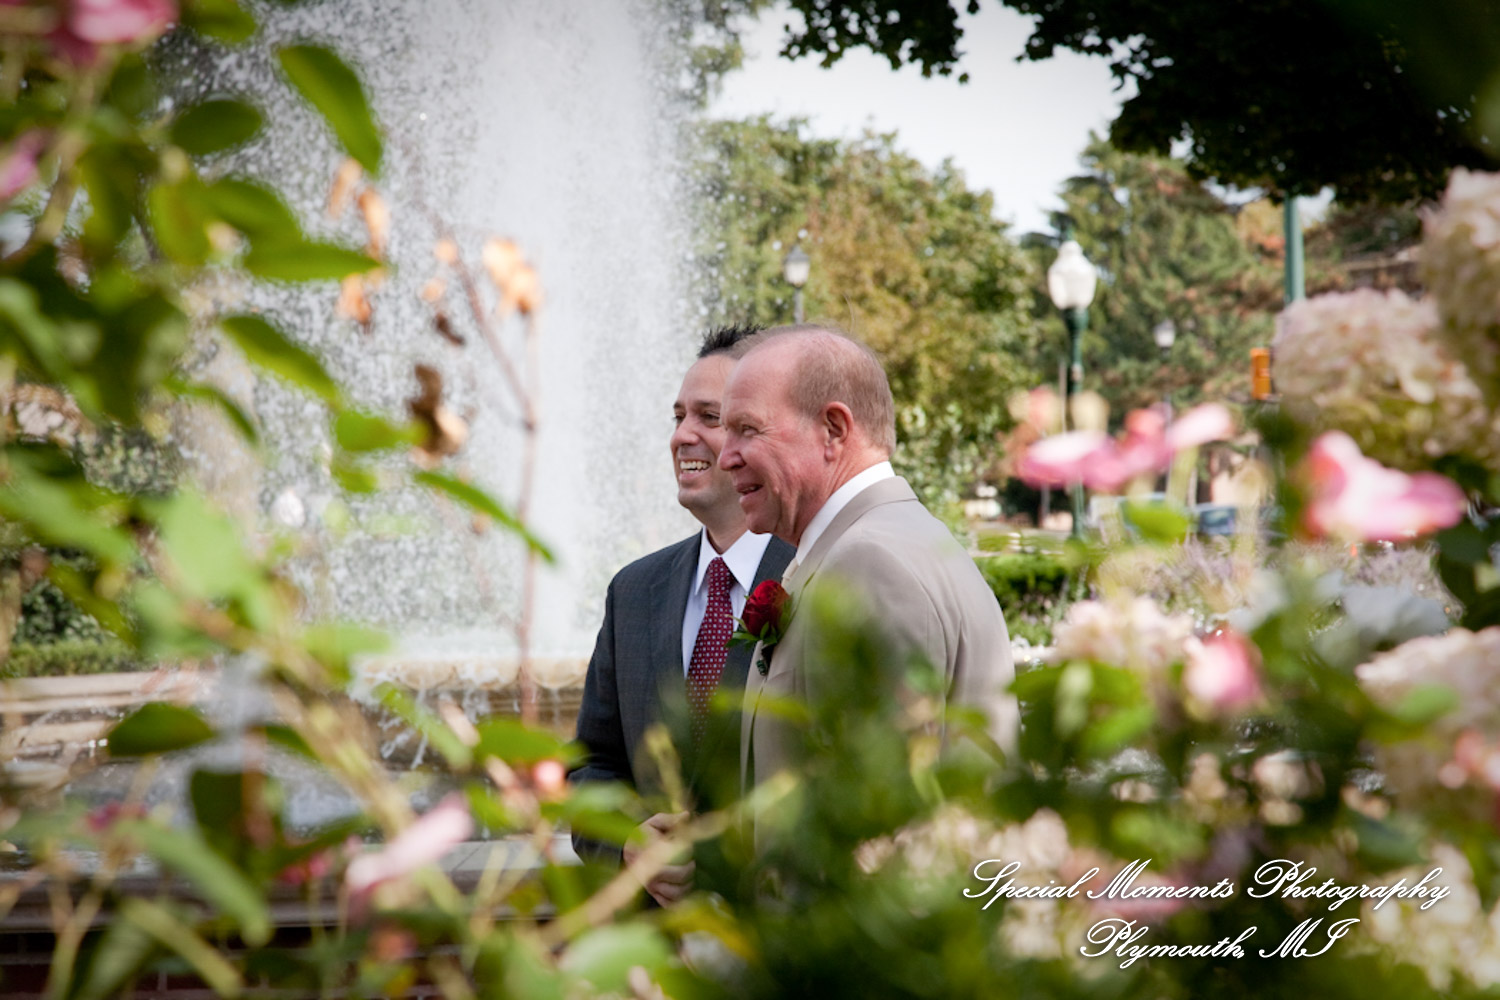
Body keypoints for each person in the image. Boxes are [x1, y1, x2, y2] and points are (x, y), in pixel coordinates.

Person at [717, 325, 1018, 823]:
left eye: (747, 429)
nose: (726, 457)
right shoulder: (876, 544)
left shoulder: (871, 564)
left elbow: (883, 829)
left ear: (834, 430)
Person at [571, 324, 795, 903]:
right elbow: (591, 767)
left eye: (709, 418)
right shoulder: (633, 591)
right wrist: (624, 843)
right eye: (678, 418)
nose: (682, 437)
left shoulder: (817, 580)